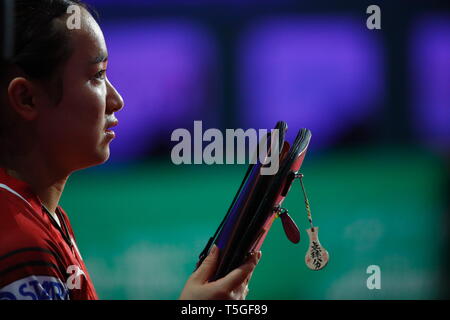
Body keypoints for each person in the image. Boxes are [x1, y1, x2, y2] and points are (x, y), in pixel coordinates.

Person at [0, 0, 261, 300]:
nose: (117, 99)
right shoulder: (21, 241)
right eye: (97, 75)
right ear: (26, 98)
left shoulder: (42, 218)